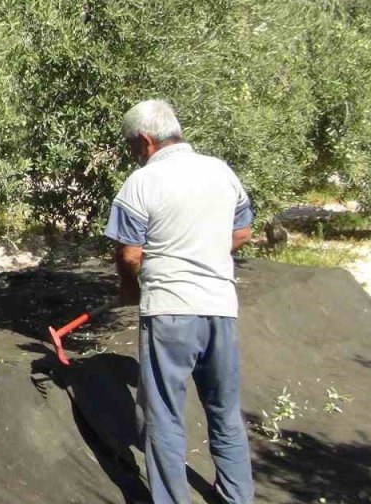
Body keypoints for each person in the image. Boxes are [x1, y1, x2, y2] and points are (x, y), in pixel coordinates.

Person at [103, 100, 255, 504]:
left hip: (169, 310)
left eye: (132, 146)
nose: (134, 154)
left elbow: (130, 254)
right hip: (220, 308)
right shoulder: (221, 171)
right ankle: (237, 497)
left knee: (165, 417)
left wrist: (130, 287)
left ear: (145, 140)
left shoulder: (142, 182)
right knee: (224, 410)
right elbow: (242, 233)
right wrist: (202, 252)